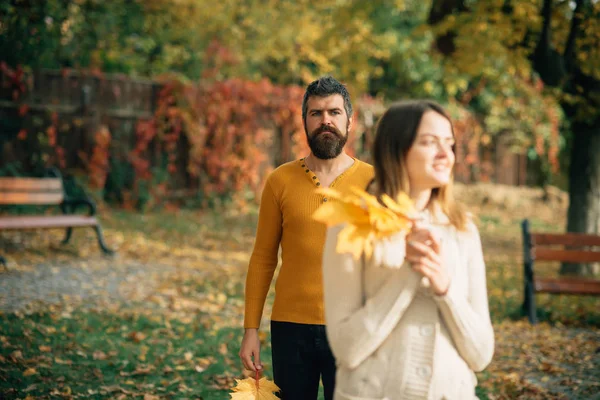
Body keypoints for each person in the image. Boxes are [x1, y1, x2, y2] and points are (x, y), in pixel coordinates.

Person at [320, 100, 494, 400]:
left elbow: (481, 355)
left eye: (449, 144)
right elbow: (347, 349)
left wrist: (445, 290)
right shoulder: (352, 225)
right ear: (397, 151)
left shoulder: (462, 230)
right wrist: (408, 274)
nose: (445, 155)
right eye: (429, 143)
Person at [239, 76, 374, 400]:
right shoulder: (279, 180)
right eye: (316, 113)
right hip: (290, 328)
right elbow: (263, 257)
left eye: (334, 112)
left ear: (349, 120)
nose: (325, 120)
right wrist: (250, 330)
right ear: (304, 122)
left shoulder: (374, 181)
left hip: (353, 326)